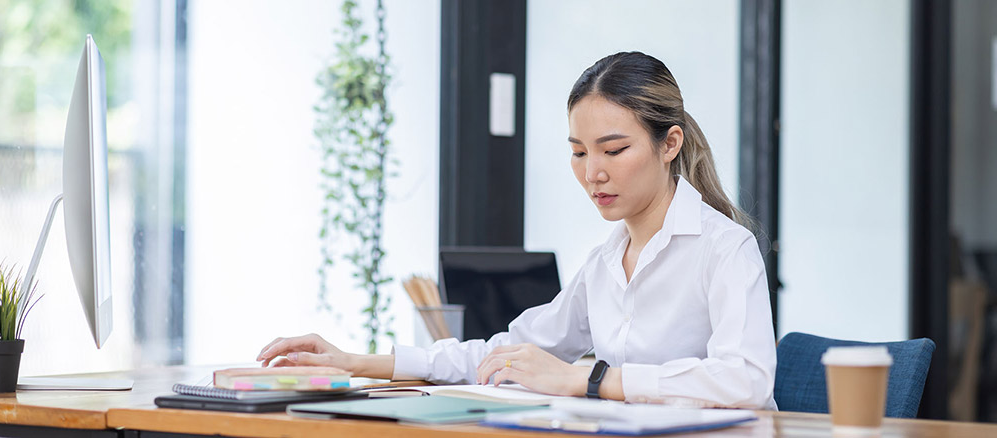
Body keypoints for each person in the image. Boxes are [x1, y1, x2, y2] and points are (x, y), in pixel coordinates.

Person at [257, 51, 777, 409]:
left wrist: (590, 380)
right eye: (578, 152)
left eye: (614, 150)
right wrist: (355, 360)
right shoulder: (604, 261)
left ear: (670, 144)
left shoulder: (725, 248)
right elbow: (508, 351)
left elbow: (746, 381)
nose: (593, 172)